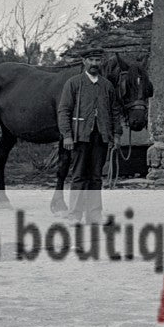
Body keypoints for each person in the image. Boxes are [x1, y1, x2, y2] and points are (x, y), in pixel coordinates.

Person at [56, 46, 123, 223]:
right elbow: (64, 111)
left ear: (101, 62)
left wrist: (116, 135)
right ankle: (75, 215)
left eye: (97, 60)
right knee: (78, 175)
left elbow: (115, 112)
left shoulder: (107, 86)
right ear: (85, 62)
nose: (94, 63)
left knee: (96, 176)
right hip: (80, 136)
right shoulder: (74, 83)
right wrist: (67, 135)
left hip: (100, 136)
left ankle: (94, 215)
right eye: (91, 60)